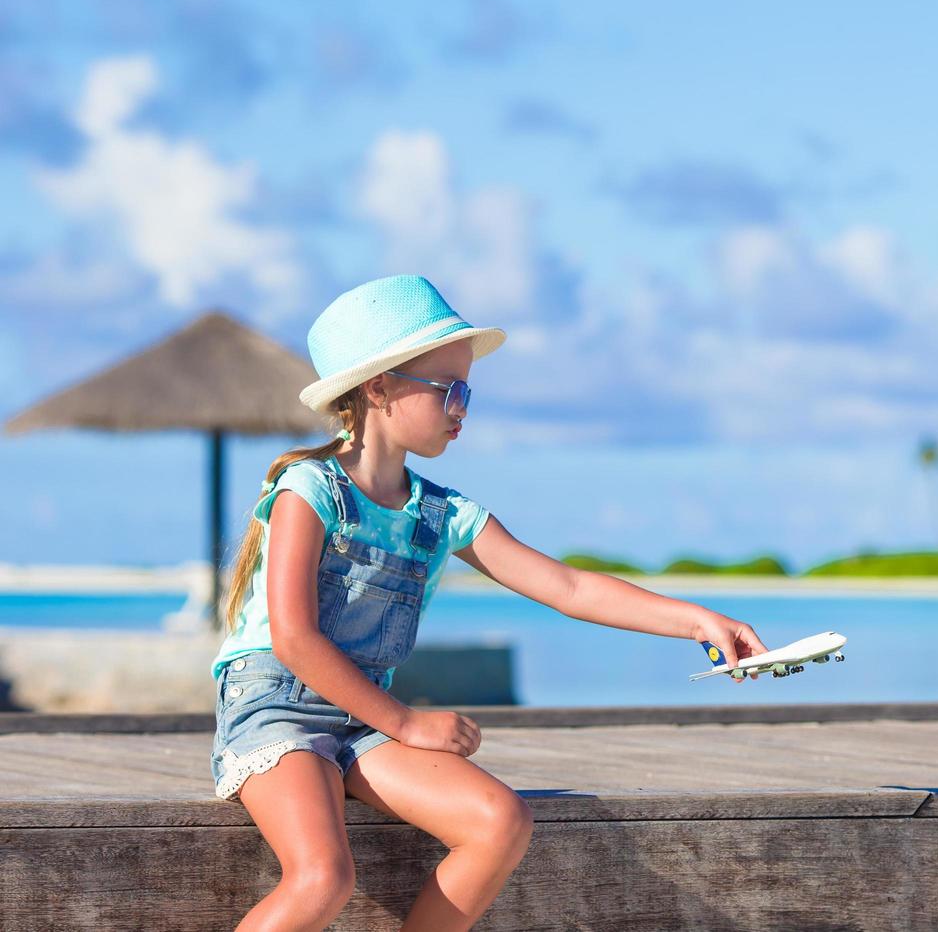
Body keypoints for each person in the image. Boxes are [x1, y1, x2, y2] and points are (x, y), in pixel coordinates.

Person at [209, 274, 768, 931]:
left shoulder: (441, 514)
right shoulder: (310, 491)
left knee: (500, 821)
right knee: (323, 876)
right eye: (448, 389)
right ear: (378, 387)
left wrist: (696, 620)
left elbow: (569, 587)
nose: (462, 407)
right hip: (276, 709)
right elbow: (294, 639)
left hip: (363, 721)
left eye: (467, 390)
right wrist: (410, 725)